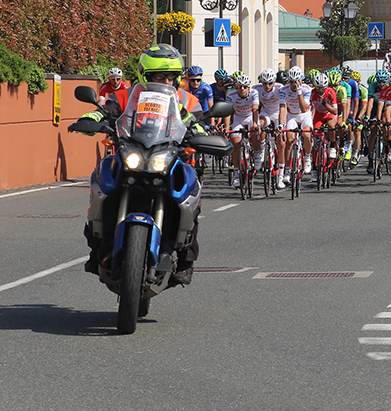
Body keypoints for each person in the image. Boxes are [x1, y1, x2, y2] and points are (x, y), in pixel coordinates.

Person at [74, 43, 203, 286]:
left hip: (169, 157)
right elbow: (108, 110)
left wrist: (201, 133)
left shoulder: (185, 99)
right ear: (145, 75)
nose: (165, 81)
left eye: (171, 77)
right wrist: (91, 117)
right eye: (159, 76)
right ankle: (97, 248)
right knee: (102, 182)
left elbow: (195, 121)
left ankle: (186, 262)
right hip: (130, 154)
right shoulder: (125, 95)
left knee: (190, 194)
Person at [279, 66, 314, 180]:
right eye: (291, 82)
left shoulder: (306, 89)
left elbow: (304, 109)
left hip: (304, 115)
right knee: (289, 140)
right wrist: (281, 123)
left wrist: (299, 93)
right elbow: (283, 108)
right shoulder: (283, 90)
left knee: (306, 134)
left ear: (301, 80)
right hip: (292, 115)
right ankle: (287, 171)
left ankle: (308, 157)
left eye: (296, 81)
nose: (294, 84)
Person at [227, 73, 261, 184]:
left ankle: (256, 154)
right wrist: (227, 128)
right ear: (236, 86)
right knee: (235, 143)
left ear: (248, 87)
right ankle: (237, 175)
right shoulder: (231, 94)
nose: (242, 89)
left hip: (250, 116)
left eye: (245, 87)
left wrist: (255, 124)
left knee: (255, 133)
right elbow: (227, 113)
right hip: (238, 118)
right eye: (240, 86)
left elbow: (255, 110)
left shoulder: (254, 93)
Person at [308, 72, 340, 182]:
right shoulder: (312, 93)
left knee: (331, 125)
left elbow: (335, 111)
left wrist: (325, 104)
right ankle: (315, 168)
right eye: (318, 88)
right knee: (315, 139)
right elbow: (310, 109)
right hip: (318, 115)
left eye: (323, 88)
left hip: (329, 114)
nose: (321, 90)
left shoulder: (330, 92)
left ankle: (332, 145)